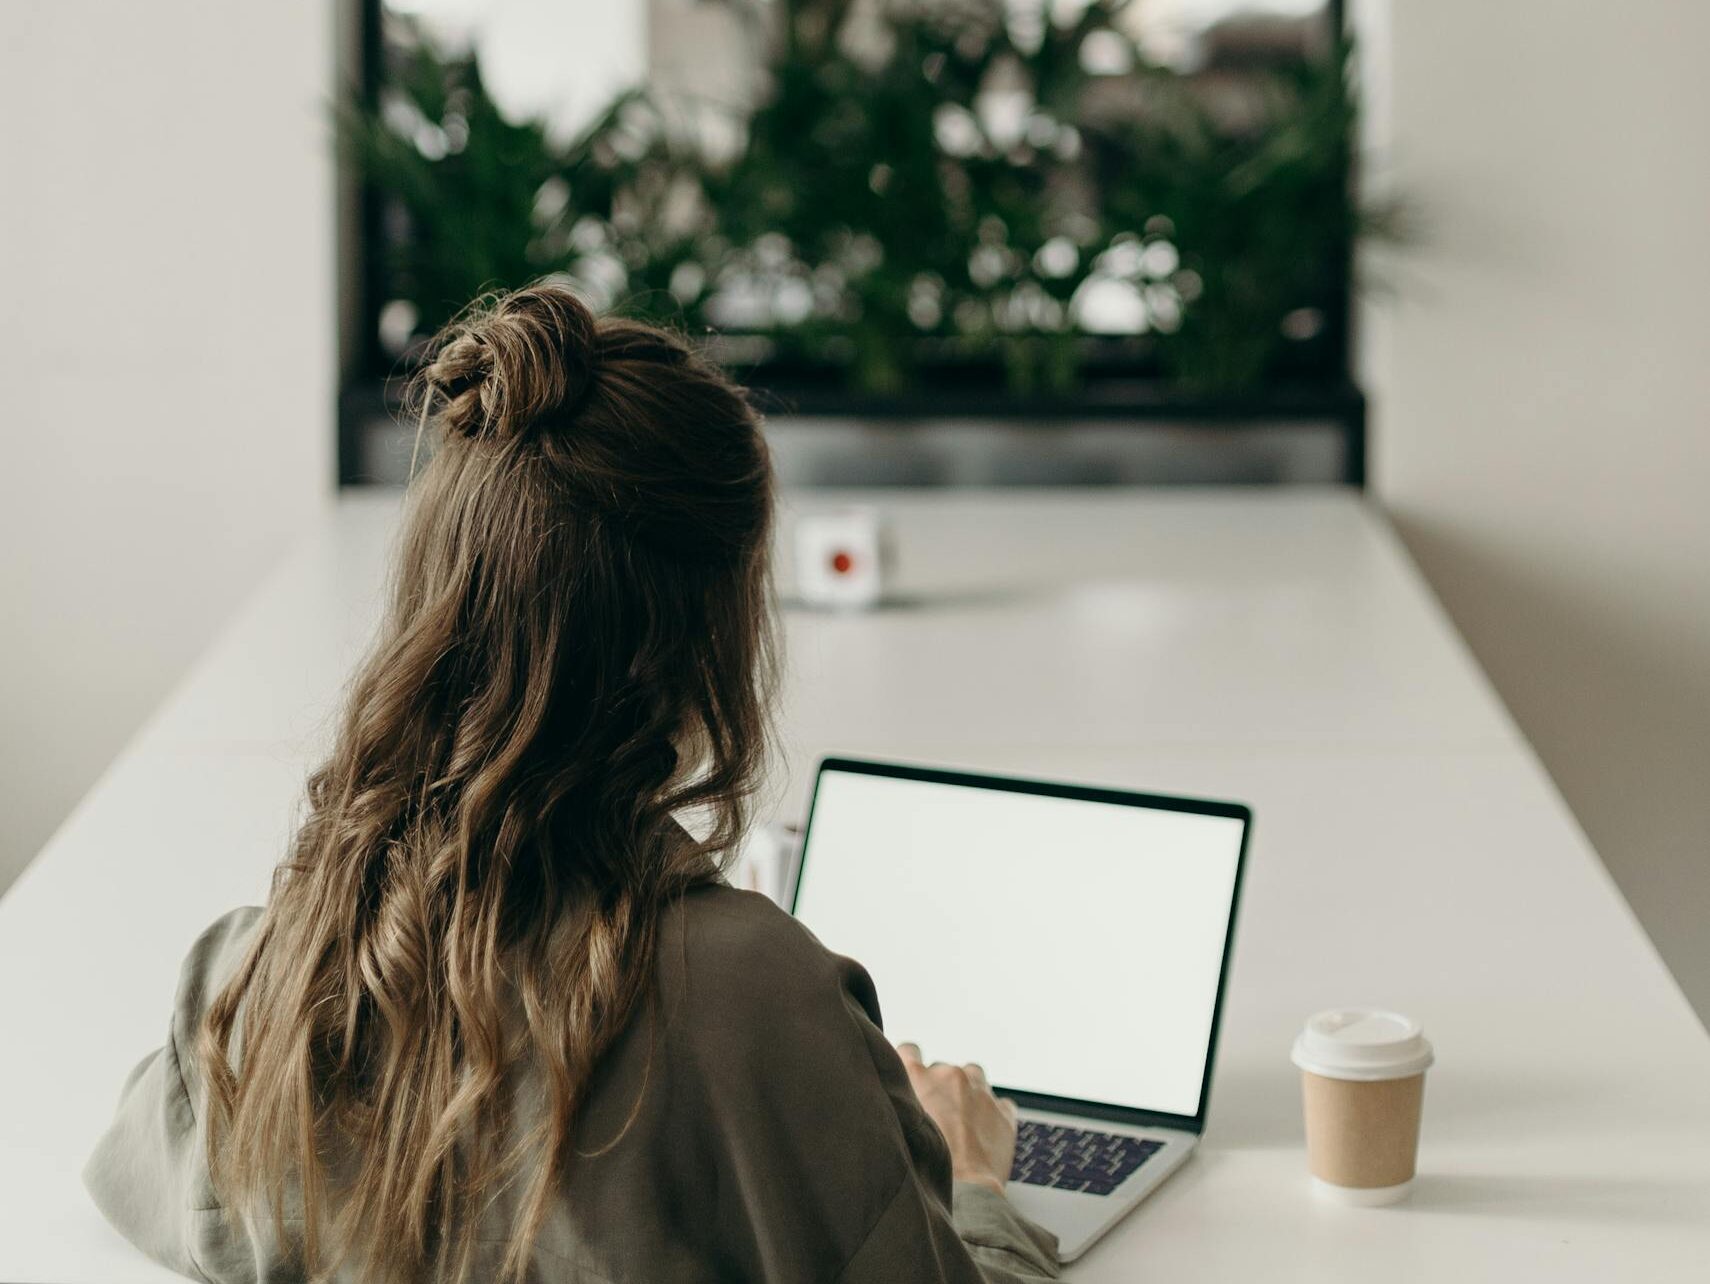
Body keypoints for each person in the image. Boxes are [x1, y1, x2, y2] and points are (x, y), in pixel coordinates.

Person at [84, 284, 1060, 1284]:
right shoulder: (756, 1004)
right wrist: (978, 1183)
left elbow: (150, 1180)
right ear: (709, 640)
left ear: (432, 599)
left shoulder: (262, 978)